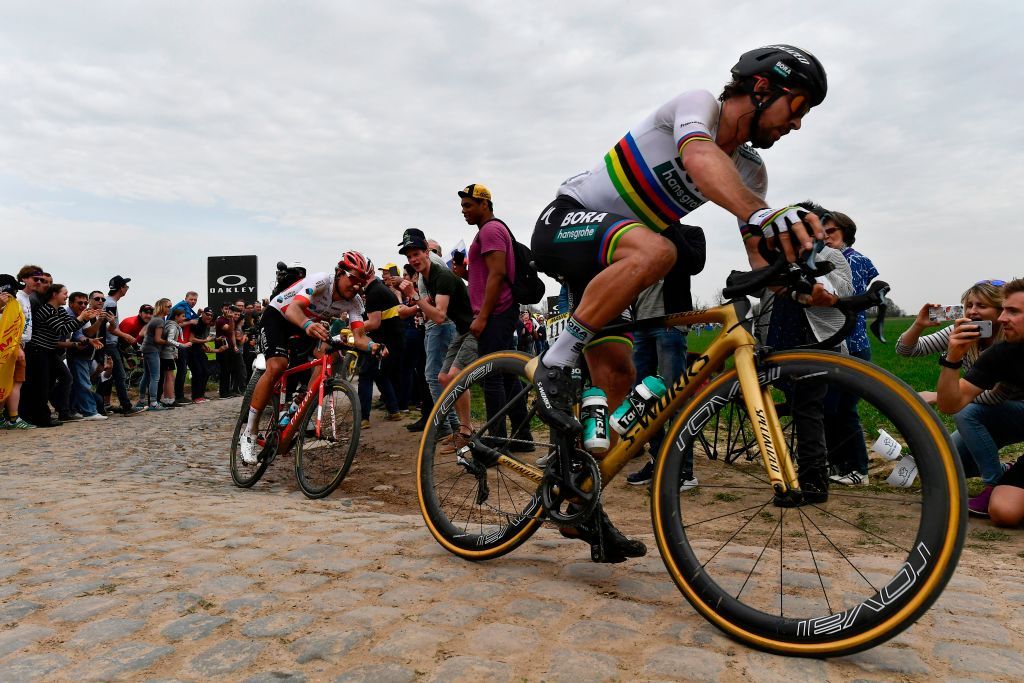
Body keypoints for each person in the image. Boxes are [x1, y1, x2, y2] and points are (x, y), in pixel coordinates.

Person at [526, 45, 829, 561]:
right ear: (762, 89)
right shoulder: (697, 107)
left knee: (620, 389)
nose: (796, 124)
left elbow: (758, 259)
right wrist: (761, 213)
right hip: (568, 222)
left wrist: (801, 282)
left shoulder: (751, 175)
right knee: (660, 247)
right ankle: (555, 360)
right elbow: (699, 156)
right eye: (796, 108)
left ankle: (574, 500)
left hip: (613, 266)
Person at [240, 252, 386, 464]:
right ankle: (250, 432)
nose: (356, 286)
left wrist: (374, 346)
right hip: (280, 316)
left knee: (331, 355)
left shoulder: (354, 303)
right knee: (278, 365)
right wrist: (308, 325)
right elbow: (293, 309)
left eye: (362, 283)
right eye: (353, 278)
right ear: (338, 273)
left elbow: (359, 336)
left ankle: (301, 403)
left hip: (304, 324)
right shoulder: (321, 281)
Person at [897, 280, 1020, 513]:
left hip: (1014, 409)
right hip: (990, 412)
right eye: (968, 305)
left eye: (982, 306)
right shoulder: (962, 330)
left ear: (999, 310)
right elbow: (907, 350)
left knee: (967, 412)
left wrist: (937, 395)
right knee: (941, 468)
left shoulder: (1008, 340)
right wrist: (919, 325)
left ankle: (993, 484)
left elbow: (995, 398)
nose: (973, 311)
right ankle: (1006, 472)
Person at [626, 224, 707, 488]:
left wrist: (670, 229)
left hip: (671, 322)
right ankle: (658, 459)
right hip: (642, 326)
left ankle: (683, 470)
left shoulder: (691, 233)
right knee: (644, 398)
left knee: (675, 397)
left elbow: (694, 264)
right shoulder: (640, 235)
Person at [937, 278, 1024, 519]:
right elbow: (950, 404)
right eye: (1004, 309)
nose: (1003, 318)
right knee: (1003, 512)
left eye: (1013, 311)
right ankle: (1000, 478)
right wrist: (952, 358)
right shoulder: (1003, 353)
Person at [455, 184, 533, 449]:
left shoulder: (490, 230)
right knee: (507, 376)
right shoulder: (488, 232)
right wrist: (465, 275)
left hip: (497, 313)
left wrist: (483, 317)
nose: (463, 211)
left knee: (492, 376)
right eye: (463, 206)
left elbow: (498, 275)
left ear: (484, 205)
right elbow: (489, 275)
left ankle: (495, 441)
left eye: (468, 205)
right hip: (498, 312)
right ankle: (523, 438)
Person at [397, 229, 475, 450]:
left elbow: (439, 316)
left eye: (416, 254)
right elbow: (430, 301)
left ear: (426, 252)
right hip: (461, 330)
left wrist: (413, 296)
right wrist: (411, 308)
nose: (413, 260)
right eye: (409, 256)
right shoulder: (428, 277)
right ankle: (461, 428)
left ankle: (465, 431)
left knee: (453, 375)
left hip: (473, 328)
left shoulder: (441, 275)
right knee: (442, 377)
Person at [820, 210, 880, 486]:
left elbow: (846, 295)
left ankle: (859, 469)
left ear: (846, 232)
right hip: (834, 344)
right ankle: (839, 465)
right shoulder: (828, 258)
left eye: (831, 231)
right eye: (822, 232)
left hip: (852, 344)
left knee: (845, 411)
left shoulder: (854, 260)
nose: (825, 236)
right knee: (830, 410)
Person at [357, 269, 406, 428]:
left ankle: (363, 418)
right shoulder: (380, 288)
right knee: (379, 374)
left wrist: (353, 329)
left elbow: (374, 322)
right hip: (393, 338)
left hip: (383, 339)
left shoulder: (374, 292)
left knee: (365, 375)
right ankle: (394, 410)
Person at [103, 275, 146, 416]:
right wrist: (126, 336)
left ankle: (105, 404)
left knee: (110, 376)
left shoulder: (109, 302)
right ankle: (126, 407)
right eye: (126, 286)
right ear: (121, 288)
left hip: (108, 343)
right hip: (110, 343)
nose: (127, 289)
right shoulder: (111, 304)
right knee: (120, 375)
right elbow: (111, 327)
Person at [0, 274, 28, 428]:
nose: (16, 293)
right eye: (14, 289)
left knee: (9, 383)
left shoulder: (14, 305)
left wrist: (17, 346)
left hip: (14, 349)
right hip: (6, 351)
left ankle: (8, 418)